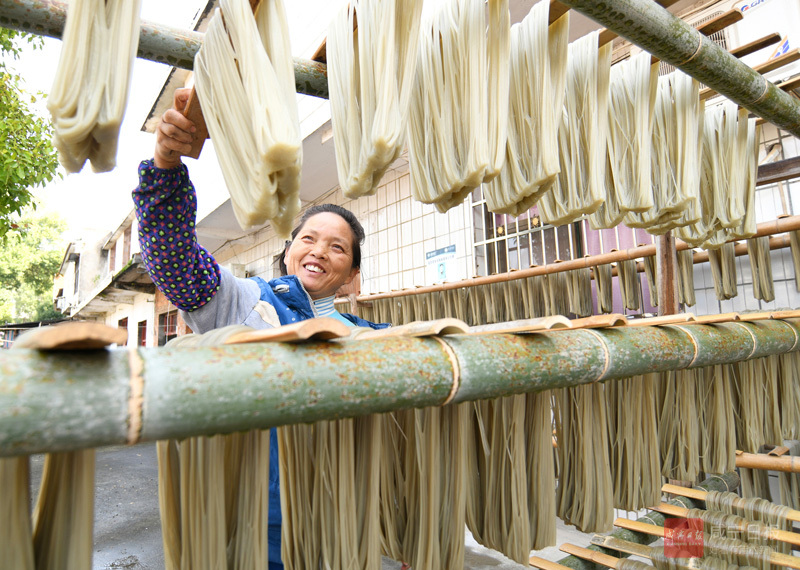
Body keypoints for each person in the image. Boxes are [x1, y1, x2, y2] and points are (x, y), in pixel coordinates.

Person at [133, 87, 389, 569]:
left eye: (337, 248)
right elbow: (174, 263)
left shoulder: (374, 338)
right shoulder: (248, 304)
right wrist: (165, 164)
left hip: (344, 523)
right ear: (288, 252)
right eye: (308, 239)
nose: (318, 250)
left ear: (354, 274)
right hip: (256, 525)